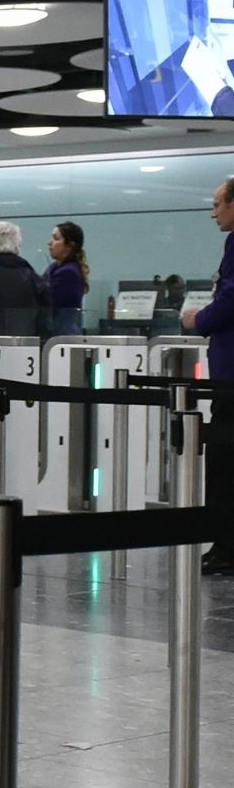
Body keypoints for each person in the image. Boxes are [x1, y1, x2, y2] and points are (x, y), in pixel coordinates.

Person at [181, 177, 234, 573]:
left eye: (218, 203)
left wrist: (199, 319)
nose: (213, 211)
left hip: (230, 376)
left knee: (223, 460)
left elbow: (231, 298)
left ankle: (226, 548)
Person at [45, 222, 89, 337]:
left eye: (56, 238)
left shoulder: (69, 273)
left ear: (69, 245)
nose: (50, 242)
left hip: (63, 336)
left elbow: (45, 299)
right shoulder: (54, 268)